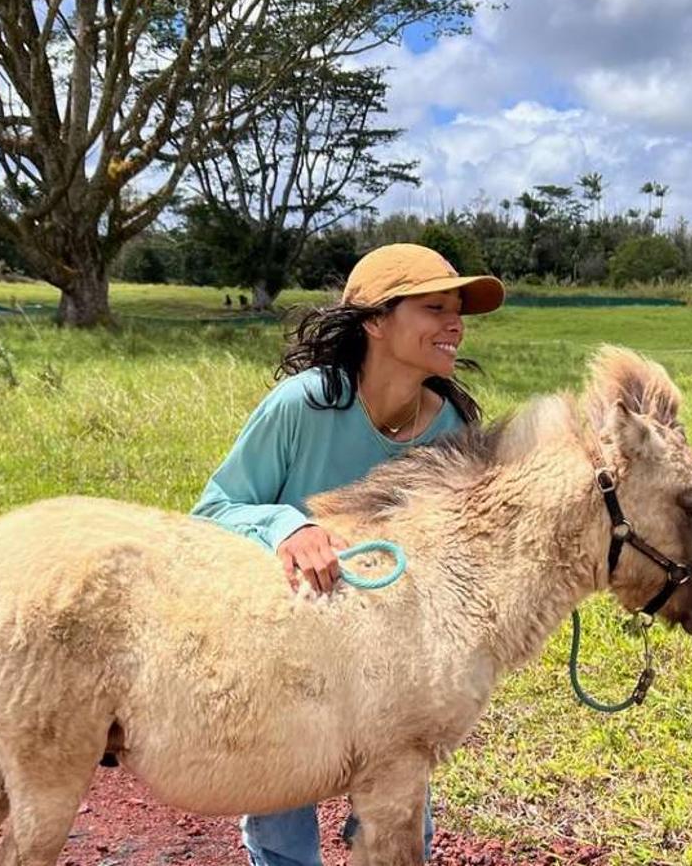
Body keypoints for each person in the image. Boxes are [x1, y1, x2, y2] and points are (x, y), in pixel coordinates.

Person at [191, 242, 506, 866]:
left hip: (392, 670)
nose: (455, 324)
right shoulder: (304, 405)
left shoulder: (451, 433)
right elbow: (213, 510)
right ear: (374, 321)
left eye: (458, 310)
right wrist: (288, 528)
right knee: (284, 834)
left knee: (400, 835)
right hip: (283, 649)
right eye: (434, 307)